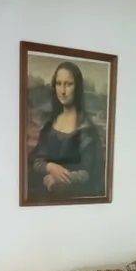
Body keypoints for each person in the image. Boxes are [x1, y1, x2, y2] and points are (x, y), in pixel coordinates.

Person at [29, 61, 104, 200]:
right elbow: (36, 161)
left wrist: (60, 178)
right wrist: (50, 167)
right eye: (59, 84)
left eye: (68, 84)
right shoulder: (49, 126)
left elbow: (90, 172)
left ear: (78, 87)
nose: (62, 91)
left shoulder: (87, 131)